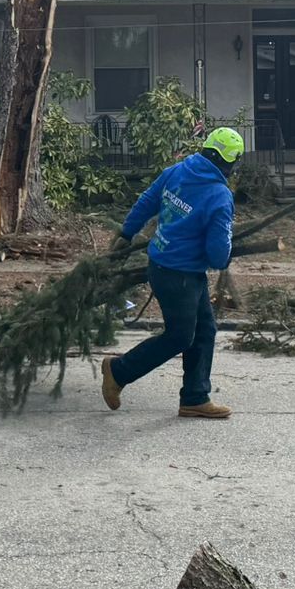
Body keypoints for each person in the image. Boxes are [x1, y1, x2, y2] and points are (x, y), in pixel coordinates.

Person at [101, 127, 243, 419]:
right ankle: (118, 370)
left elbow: (147, 201)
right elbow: (218, 256)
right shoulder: (219, 196)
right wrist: (225, 250)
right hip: (180, 276)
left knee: (204, 330)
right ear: (231, 162)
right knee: (179, 336)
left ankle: (194, 397)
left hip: (165, 266)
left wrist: (127, 233)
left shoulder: (177, 171)